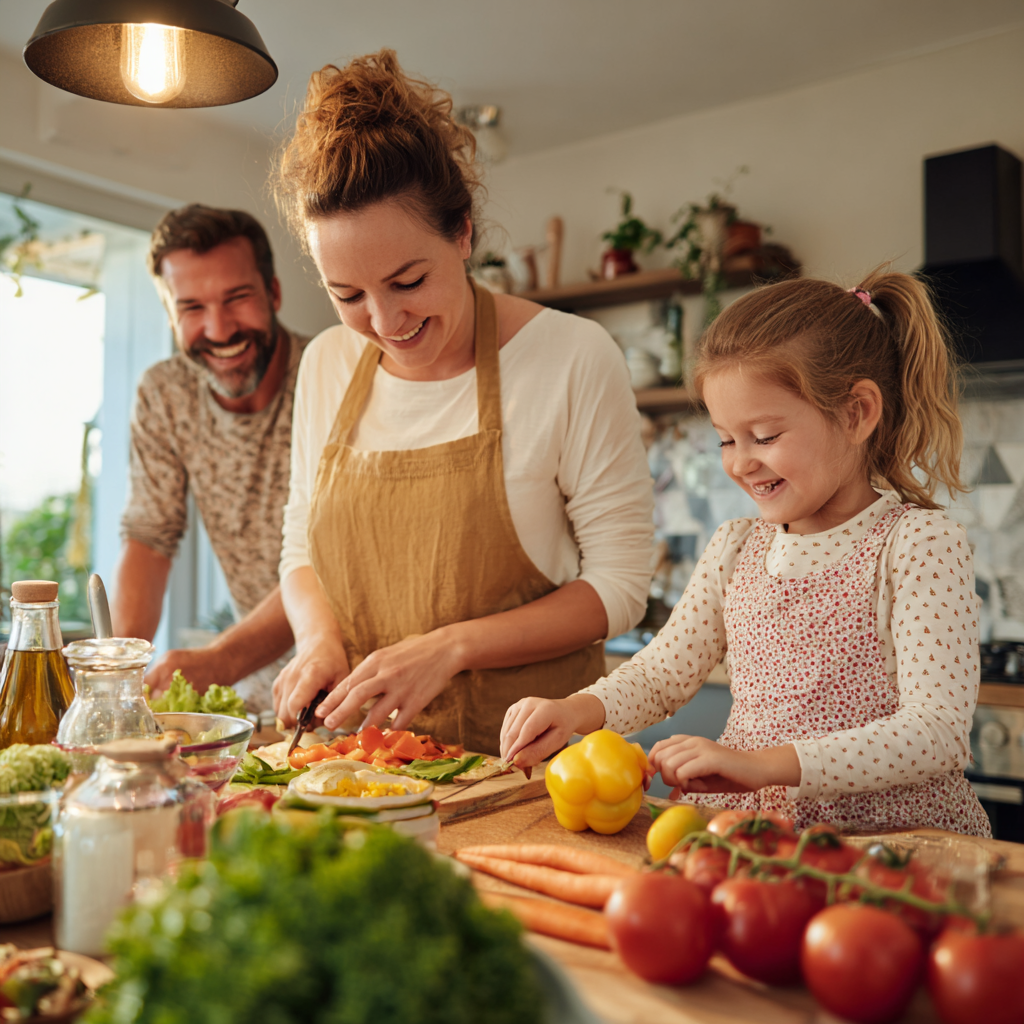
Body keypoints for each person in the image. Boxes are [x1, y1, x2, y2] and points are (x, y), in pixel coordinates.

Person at [502, 270, 992, 836]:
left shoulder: (918, 543)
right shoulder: (736, 547)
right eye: (726, 439)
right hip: (754, 841)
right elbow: (663, 675)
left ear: (857, 413)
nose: (739, 463)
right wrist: (573, 712)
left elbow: (936, 734)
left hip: (891, 851)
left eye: (764, 436)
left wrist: (762, 766)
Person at [271, 50, 654, 755]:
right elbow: (301, 545)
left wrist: (450, 648)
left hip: (528, 771)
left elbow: (620, 585)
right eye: (347, 296)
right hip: (365, 766)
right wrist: (319, 639)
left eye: (408, 280)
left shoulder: (571, 355)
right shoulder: (327, 362)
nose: (385, 324)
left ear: (463, 232)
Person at [111, 205, 308, 711]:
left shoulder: (329, 374)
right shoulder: (165, 393)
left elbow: (334, 559)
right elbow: (151, 539)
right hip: (264, 691)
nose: (219, 330)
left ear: (274, 293)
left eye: (237, 298)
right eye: (192, 308)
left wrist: (220, 659)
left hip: (368, 678)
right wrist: (115, 678)